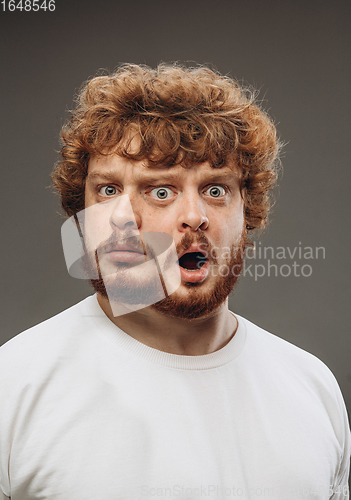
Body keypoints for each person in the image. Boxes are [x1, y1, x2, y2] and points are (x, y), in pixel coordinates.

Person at [0, 64, 349, 500]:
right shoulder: (13, 385)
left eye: (216, 190)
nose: (194, 216)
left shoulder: (312, 388)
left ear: (248, 211)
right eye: (160, 191)